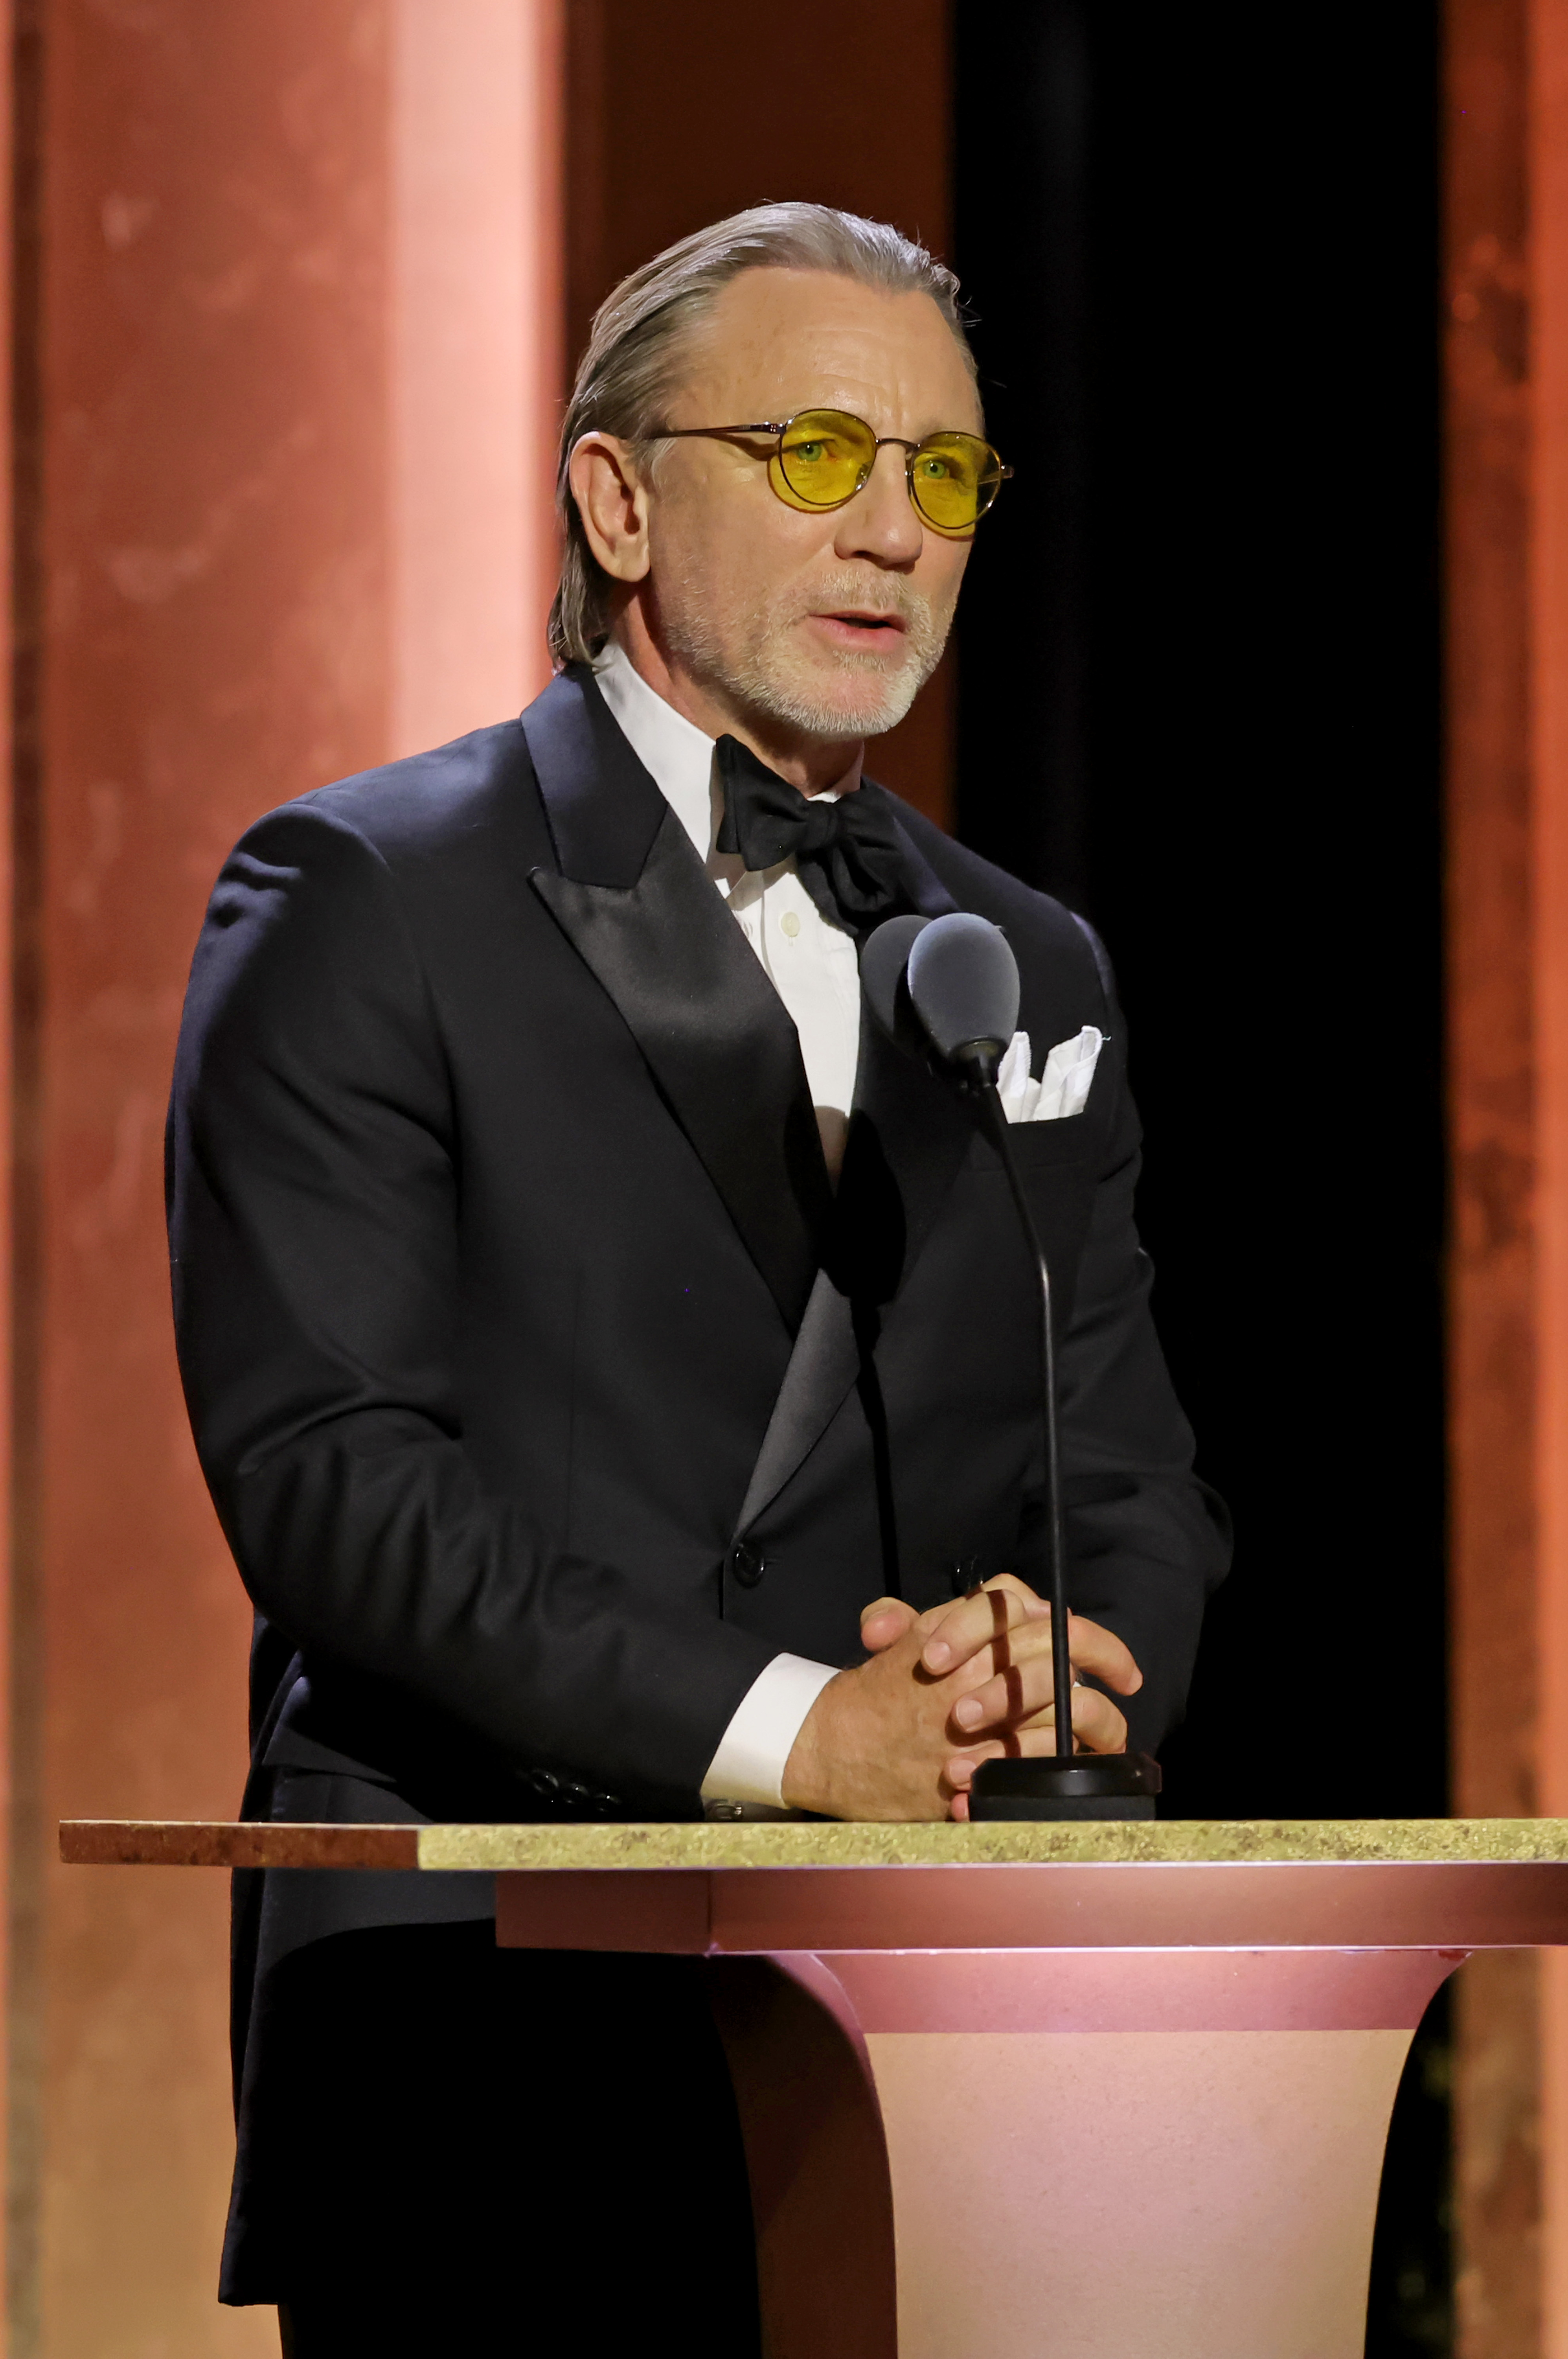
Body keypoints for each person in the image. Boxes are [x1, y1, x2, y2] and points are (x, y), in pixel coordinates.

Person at [167, 201, 1229, 2354]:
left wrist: (1067, 1678)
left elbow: (1119, 1465)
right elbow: (337, 1487)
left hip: (907, 2038)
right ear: (619, 495)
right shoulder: (365, 894)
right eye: (818, 456)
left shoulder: (1028, 959)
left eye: (945, 476)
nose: (897, 534)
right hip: (485, 2024)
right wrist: (795, 1737)